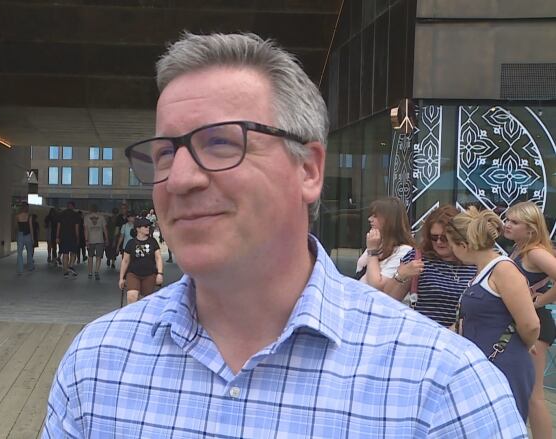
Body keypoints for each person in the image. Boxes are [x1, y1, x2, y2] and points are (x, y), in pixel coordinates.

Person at [43, 32, 527, 437]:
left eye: (220, 143)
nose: (181, 178)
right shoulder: (98, 361)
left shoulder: (442, 387)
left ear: (309, 170)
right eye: (166, 152)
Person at [445, 206, 540, 421]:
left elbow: (531, 324)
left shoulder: (503, 269)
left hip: (504, 365)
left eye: (452, 245)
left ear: (464, 245)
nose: (451, 251)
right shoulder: (482, 271)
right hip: (489, 364)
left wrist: (522, 343)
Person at [504, 201, 556, 438]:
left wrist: (540, 300)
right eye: (507, 220)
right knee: (525, 393)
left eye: (514, 222)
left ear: (531, 229)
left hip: (536, 323)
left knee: (534, 396)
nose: (507, 225)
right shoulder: (520, 249)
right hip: (524, 322)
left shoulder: (535, 251)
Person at [382, 205, 476, 327]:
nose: (438, 242)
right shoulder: (417, 258)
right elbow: (387, 300)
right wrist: (401, 275)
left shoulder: (473, 263)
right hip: (424, 335)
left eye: (444, 238)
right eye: (434, 237)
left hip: (461, 339)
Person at [357, 197, 415, 290]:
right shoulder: (377, 242)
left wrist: (372, 252)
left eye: (375, 216)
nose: (370, 219)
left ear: (389, 219)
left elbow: (377, 286)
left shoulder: (404, 251)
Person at [118, 218, 163, 304]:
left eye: (149, 226)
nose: (148, 228)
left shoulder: (153, 242)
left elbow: (158, 258)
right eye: (145, 226)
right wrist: (121, 278)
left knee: (146, 300)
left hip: (149, 274)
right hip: (133, 273)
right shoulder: (131, 243)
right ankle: (132, 315)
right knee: (132, 296)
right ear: (138, 229)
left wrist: (160, 274)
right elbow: (125, 261)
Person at [56, 201, 81, 279]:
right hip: (72, 236)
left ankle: (65, 272)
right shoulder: (76, 215)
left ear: (67, 206)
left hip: (63, 236)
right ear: (73, 206)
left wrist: (57, 236)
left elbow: (58, 226)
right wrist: (77, 237)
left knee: (65, 254)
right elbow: (76, 227)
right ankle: (70, 266)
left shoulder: (61, 214)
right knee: (73, 253)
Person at [83, 204, 108, 280]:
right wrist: (107, 239)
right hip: (100, 240)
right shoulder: (102, 217)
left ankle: (90, 273)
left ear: (90, 209)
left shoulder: (86, 217)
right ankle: (96, 272)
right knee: (98, 257)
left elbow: (85, 230)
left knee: (90, 257)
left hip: (90, 240)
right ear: (97, 209)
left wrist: (86, 240)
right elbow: (105, 229)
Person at [14, 203, 34, 275]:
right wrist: (32, 238)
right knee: (29, 252)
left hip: (20, 235)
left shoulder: (17, 216)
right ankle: (30, 266)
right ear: (27, 208)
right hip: (28, 235)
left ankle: (20, 269)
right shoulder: (29, 216)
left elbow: (16, 227)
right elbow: (31, 227)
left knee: (19, 253)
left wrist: (16, 236)